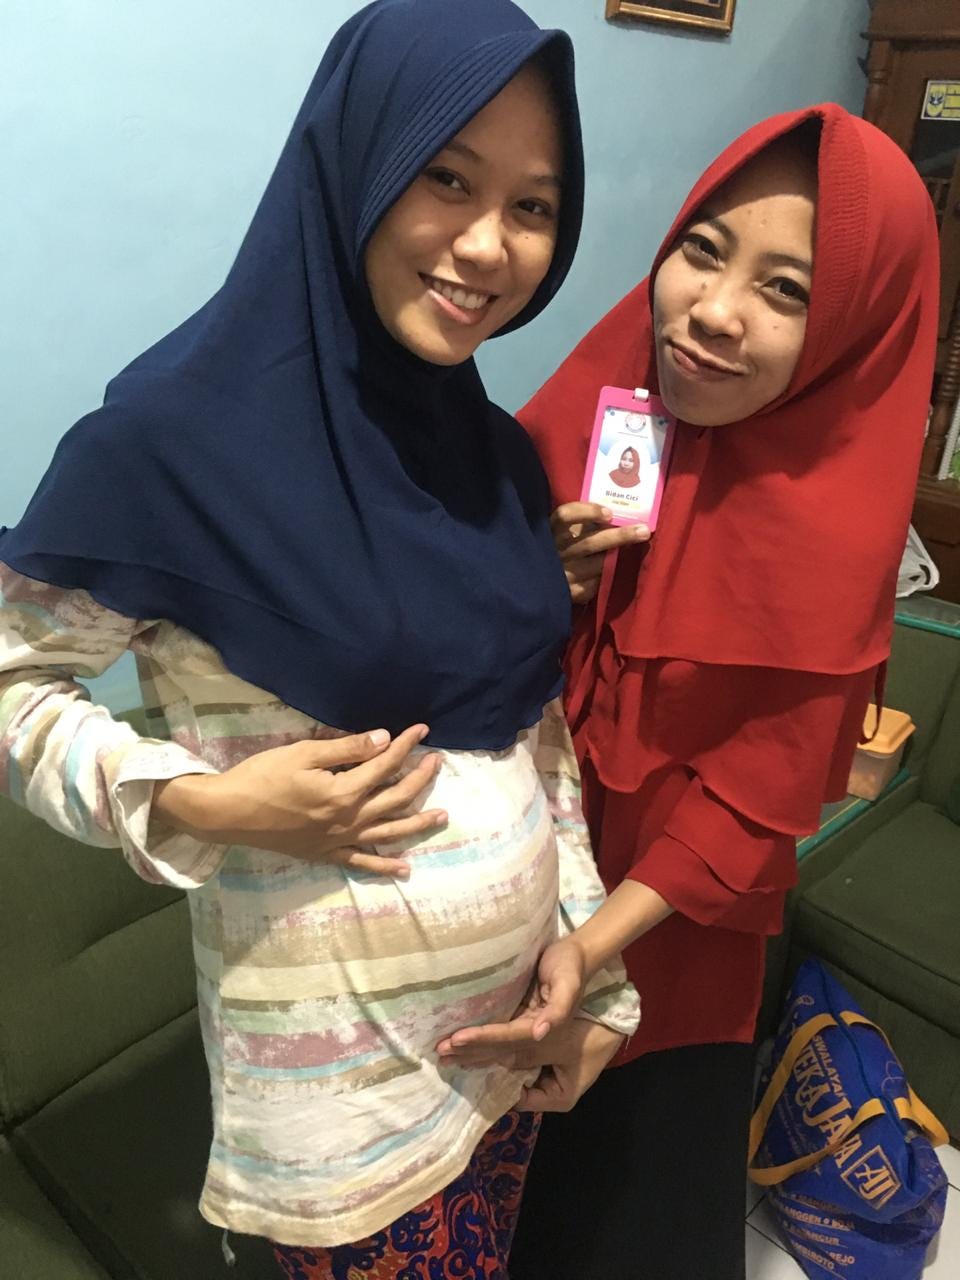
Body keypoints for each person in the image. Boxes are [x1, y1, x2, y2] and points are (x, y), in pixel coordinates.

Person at [0, 2, 640, 1276]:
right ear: (352, 159)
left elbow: (535, 729)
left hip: (512, 1047)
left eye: (532, 205)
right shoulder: (166, 447)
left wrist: (585, 959)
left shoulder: (496, 459)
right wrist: (204, 801)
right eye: (446, 177)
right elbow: (14, 680)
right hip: (344, 1120)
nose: (489, 244)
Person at [436, 103, 939, 1278]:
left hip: (662, 944)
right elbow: (451, 632)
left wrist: (591, 949)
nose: (713, 311)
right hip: (497, 894)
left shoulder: (836, 533)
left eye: (786, 289)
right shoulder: (602, 400)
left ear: (851, 326)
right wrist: (539, 582)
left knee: (619, 1217)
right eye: (702, 251)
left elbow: (753, 804)